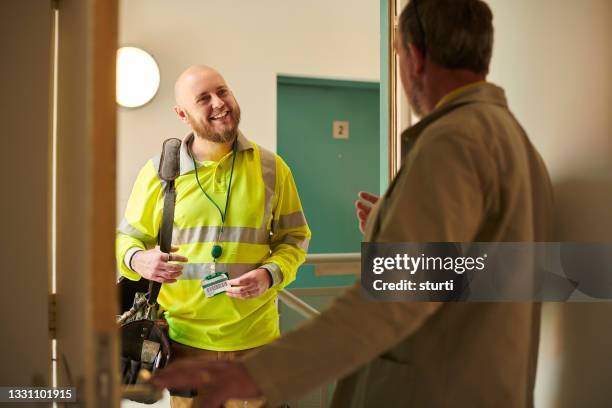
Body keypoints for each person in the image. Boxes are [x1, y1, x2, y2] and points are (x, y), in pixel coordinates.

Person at [150, 0, 553, 407]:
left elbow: (394, 300)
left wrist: (253, 375)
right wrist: (390, 225)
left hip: (435, 388)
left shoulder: (452, 143)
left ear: (413, 56)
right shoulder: (516, 143)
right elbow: (491, 270)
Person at [116, 65, 311, 408]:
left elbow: (294, 239)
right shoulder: (160, 172)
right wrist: (139, 259)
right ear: (182, 114)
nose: (219, 103)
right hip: (183, 344)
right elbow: (125, 240)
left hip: (257, 342)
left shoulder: (272, 168)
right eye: (203, 98)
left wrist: (269, 274)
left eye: (222, 91)